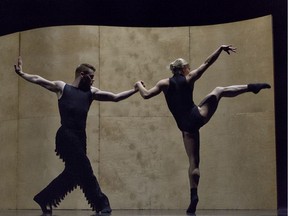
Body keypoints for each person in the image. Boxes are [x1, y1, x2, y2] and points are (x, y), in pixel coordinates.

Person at [135, 45, 271, 215]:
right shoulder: (190, 78)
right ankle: (252, 87)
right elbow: (207, 63)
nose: (189, 69)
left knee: (193, 161)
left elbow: (146, 94)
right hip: (198, 116)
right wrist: (220, 49)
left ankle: (194, 195)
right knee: (219, 90)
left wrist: (138, 84)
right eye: (188, 67)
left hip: (185, 127)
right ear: (184, 68)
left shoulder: (164, 83)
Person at [14, 57, 139, 215]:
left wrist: (134, 90)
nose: (93, 80)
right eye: (91, 76)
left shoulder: (91, 93)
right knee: (85, 170)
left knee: (73, 174)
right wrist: (22, 73)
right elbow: (39, 80)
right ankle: (102, 205)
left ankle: (45, 198)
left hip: (80, 138)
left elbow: (115, 97)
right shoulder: (62, 87)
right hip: (66, 135)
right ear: (82, 74)